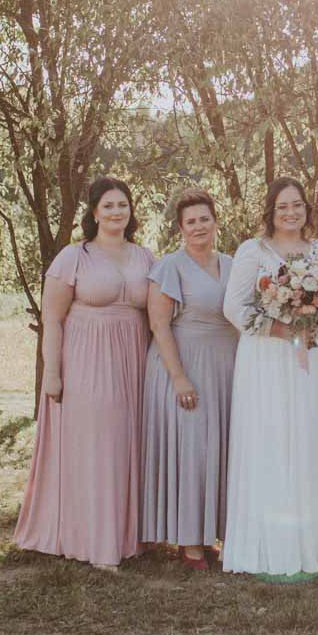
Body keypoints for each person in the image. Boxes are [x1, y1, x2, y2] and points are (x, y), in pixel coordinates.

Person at [13, 176, 154, 569]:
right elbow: (52, 319)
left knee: (126, 445)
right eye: (108, 205)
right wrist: (52, 373)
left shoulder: (146, 257)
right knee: (97, 447)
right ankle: (95, 541)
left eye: (122, 204)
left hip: (134, 362)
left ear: (131, 210)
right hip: (86, 363)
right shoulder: (73, 257)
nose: (116, 212)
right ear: (94, 212)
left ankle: (127, 537)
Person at [220, 177, 318, 579]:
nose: (291, 213)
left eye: (297, 205)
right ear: (270, 212)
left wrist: (314, 321)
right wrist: (280, 328)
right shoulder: (252, 251)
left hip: (310, 355)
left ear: (307, 208)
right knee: (269, 436)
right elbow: (234, 308)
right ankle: (266, 547)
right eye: (282, 206)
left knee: (306, 434)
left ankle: (309, 546)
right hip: (266, 357)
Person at [140, 188, 237, 570]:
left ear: (216, 222)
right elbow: (159, 325)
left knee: (220, 449)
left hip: (226, 367)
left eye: (204, 219)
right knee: (193, 450)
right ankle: (189, 542)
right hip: (184, 365)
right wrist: (179, 378)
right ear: (180, 228)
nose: (198, 226)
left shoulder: (232, 264)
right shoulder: (170, 267)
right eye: (190, 221)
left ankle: (212, 533)